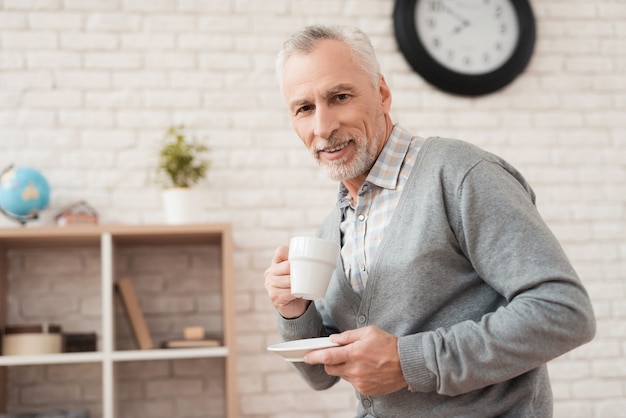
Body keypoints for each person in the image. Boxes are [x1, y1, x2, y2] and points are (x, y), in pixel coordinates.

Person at [264, 24, 596, 418]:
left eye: (339, 96)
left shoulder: (460, 174)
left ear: (382, 94)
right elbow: (322, 377)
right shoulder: (331, 228)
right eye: (304, 108)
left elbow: (564, 312)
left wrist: (409, 362)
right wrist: (294, 310)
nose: (323, 127)